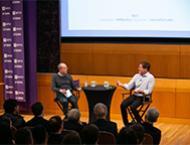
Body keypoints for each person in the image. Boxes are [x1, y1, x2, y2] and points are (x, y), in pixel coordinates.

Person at [117, 61, 155, 126]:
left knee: (133, 107)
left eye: (140, 67)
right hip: (135, 95)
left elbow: (149, 91)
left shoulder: (150, 77)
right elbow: (129, 86)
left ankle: (140, 122)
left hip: (144, 97)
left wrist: (141, 91)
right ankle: (126, 124)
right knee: (123, 105)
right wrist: (121, 85)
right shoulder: (136, 76)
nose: (138, 69)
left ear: (145, 69)